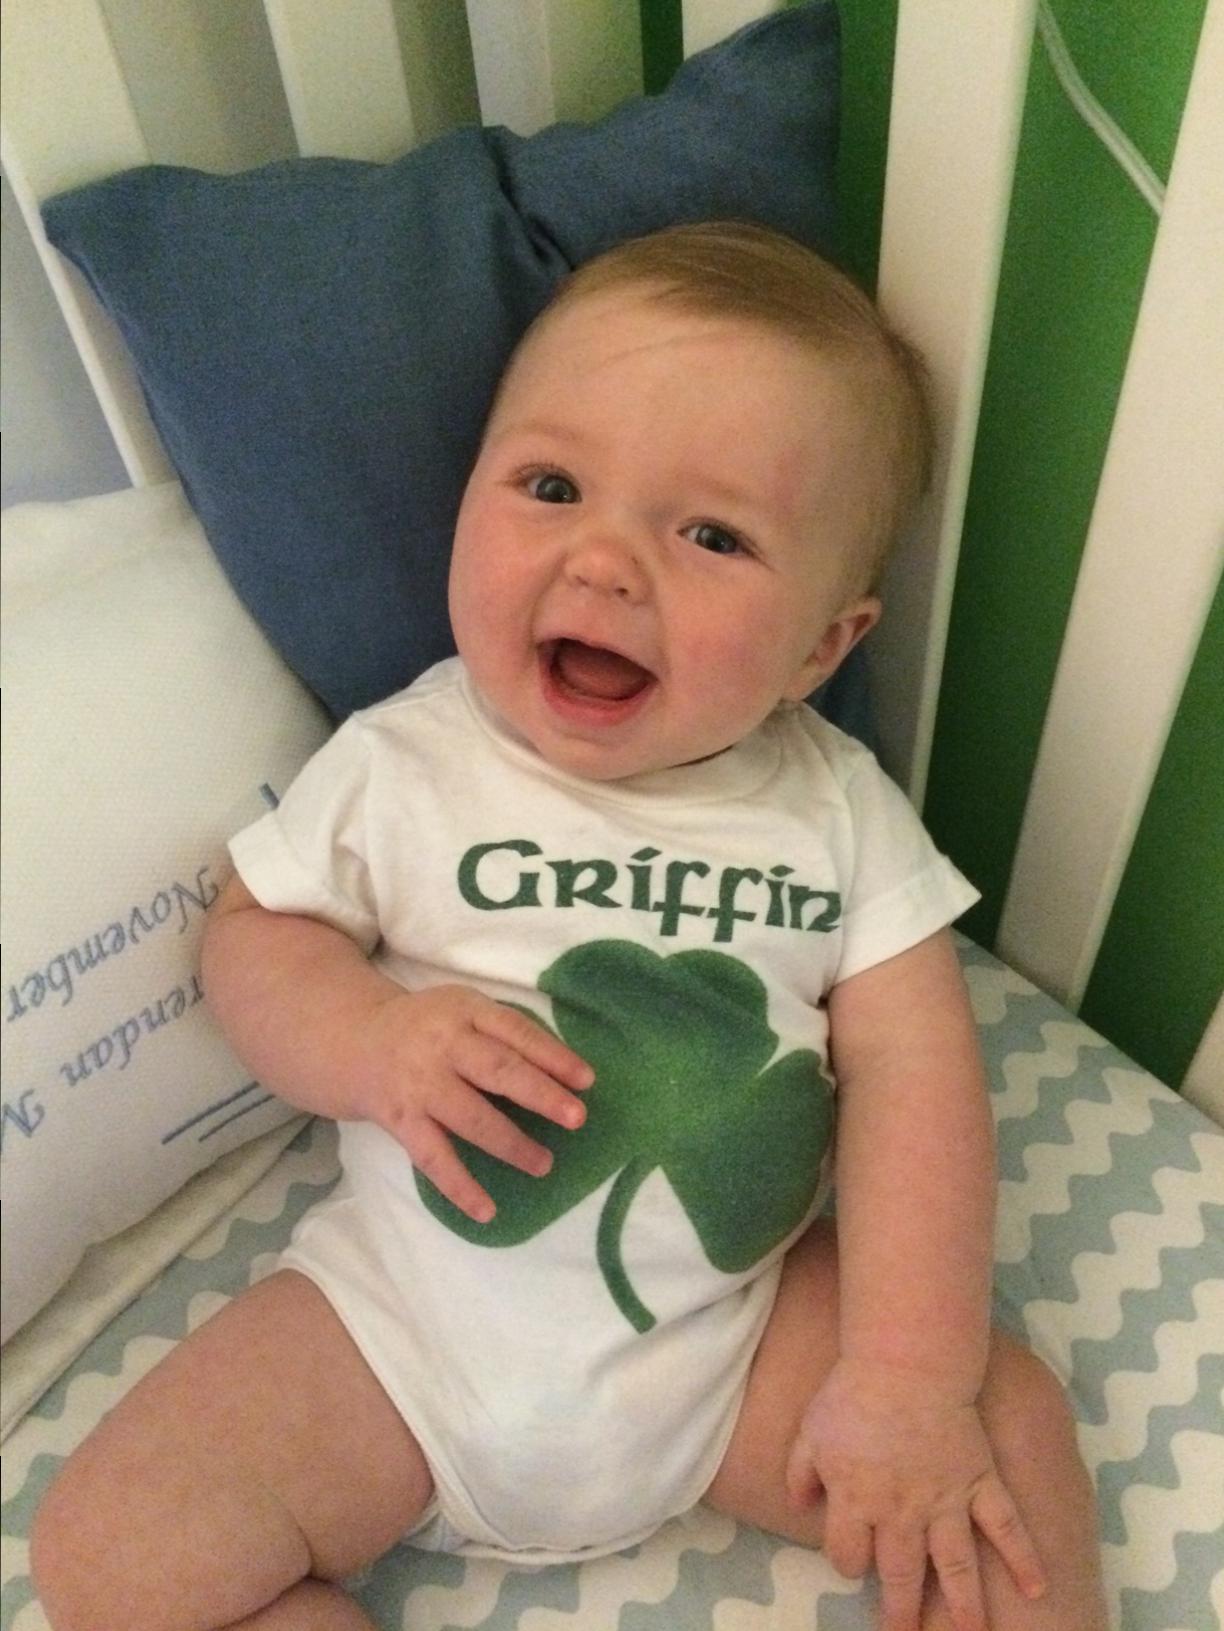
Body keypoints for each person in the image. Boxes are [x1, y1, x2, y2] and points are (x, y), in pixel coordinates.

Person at [32, 222, 1107, 1631]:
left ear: (821, 647)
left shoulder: (836, 808)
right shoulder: (408, 757)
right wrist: (373, 1044)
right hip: (396, 1337)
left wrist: (906, 1383)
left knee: (1005, 1436)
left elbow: (918, 1074)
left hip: (738, 1341)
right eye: (552, 487)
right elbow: (255, 937)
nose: (605, 563)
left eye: (712, 535)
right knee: (106, 1550)